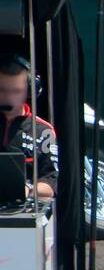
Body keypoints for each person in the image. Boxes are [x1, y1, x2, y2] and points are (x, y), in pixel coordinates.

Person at [0, 53, 57, 199]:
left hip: (24, 211)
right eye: (2, 90)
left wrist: (28, 189)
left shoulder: (44, 131)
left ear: (31, 91)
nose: (9, 97)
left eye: (16, 91)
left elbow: (52, 181)